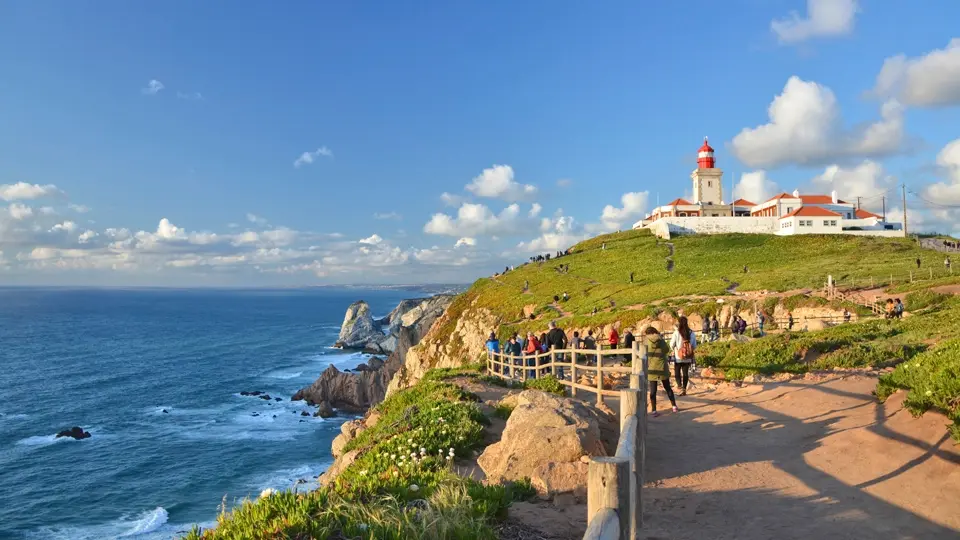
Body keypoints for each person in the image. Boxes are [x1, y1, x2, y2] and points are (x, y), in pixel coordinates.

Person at [643, 326, 678, 417]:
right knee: (667, 387)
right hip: (662, 366)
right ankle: (674, 406)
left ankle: (654, 410)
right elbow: (666, 350)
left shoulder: (646, 341)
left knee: (653, 390)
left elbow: (643, 353)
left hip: (651, 367)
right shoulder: (661, 339)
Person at [670, 316, 697, 396]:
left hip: (679, 356)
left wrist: (674, 349)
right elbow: (694, 345)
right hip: (688, 357)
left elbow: (671, 344)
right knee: (685, 373)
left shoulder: (676, 332)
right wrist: (689, 350)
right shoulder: (691, 332)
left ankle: (680, 386)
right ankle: (684, 389)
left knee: (677, 372)